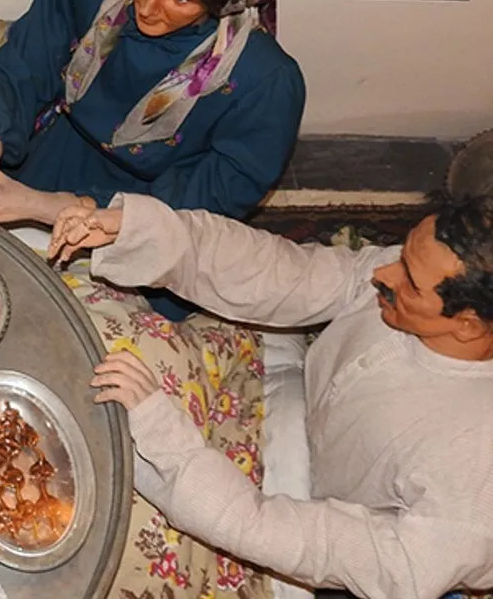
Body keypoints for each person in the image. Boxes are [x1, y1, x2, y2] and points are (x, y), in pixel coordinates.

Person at [47, 191, 493, 599]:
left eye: (410, 281)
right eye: (400, 254)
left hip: (294, 527)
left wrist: (170, 447)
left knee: (94, 552)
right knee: (92, 329)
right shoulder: (405, 277)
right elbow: (282, 272)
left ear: (469, 324)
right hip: (272, 399)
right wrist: (136, 230)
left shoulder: (473, 477)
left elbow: (327, 549)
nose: (381, 273)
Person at [0, 0, 304, 320]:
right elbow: (26, 60)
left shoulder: (264, 81)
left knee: (73, 329)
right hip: (60, 149)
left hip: (152, 203)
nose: (149, 6)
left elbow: (203, 201)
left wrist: (43, 206)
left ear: (224, 3)